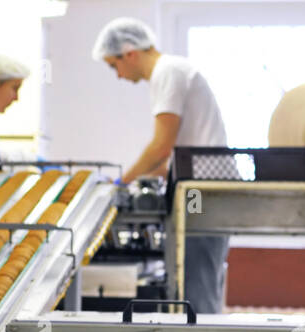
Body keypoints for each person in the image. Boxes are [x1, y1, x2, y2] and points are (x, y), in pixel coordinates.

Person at [92, 17, 230, 314]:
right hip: (201, 187)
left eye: (113, 66)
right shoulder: (172, 72)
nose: (117, 75)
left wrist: (120, 184)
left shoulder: (168, 72)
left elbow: (160, 148)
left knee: (197, 282)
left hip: (200, 193)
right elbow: (165, 160)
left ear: (129, 52)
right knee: (196, 278)